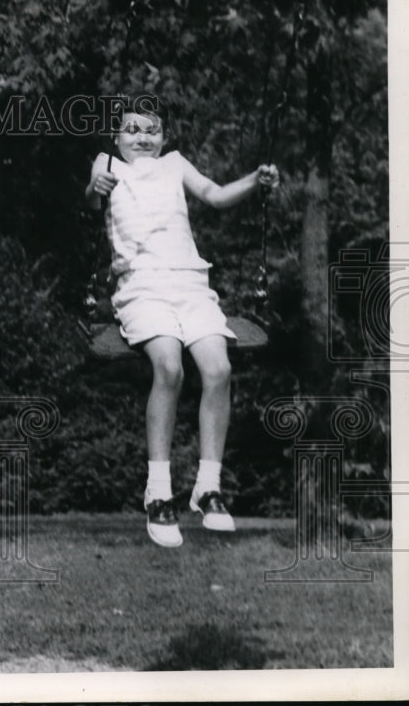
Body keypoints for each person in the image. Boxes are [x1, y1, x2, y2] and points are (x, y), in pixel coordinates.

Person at [85, 97, 279, 547]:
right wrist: (98, 183)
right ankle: (158, 492)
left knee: (219, 369)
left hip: (191, 286)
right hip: (141, 288)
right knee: (168, 366)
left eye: (151, 129)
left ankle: (208, 487)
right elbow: (91, 192)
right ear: (116, 137)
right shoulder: (109, 162)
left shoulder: (174, 164)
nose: (142, 137)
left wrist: (256, 179)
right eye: (131, 129)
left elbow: (213, 194)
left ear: (164, 137)